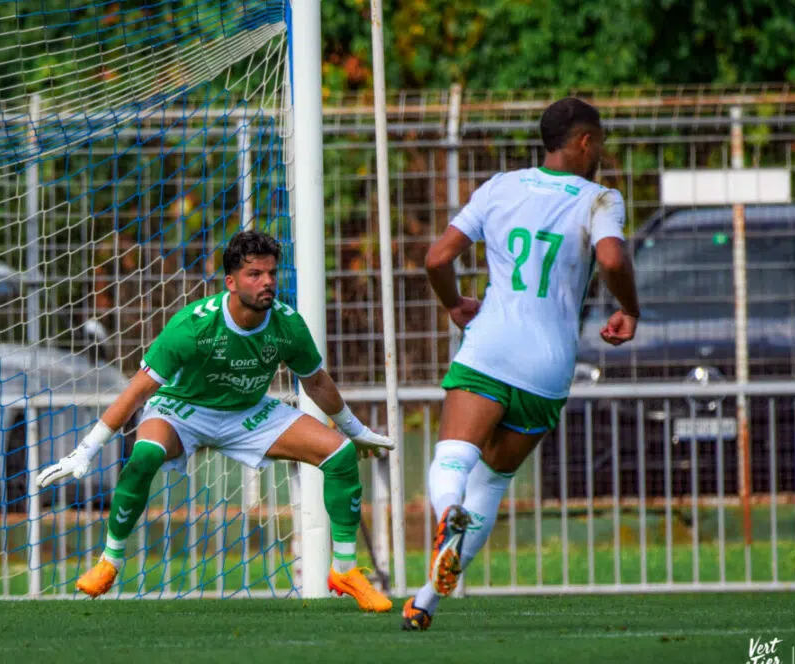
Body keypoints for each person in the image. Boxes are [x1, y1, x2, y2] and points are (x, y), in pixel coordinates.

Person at [38, 230, 395, 612]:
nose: (267, 283)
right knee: (144, 456)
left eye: (271, 274)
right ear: (231, 281)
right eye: (255, 275)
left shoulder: (287, 324)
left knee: (339, 454)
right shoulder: (194, 326)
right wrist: (86, 450)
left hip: (247, 412)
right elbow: (138, 390)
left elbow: (317, 382)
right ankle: (110, 561)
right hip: (183, 409)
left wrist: (356, 432)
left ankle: (344, 570)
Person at [402, 97, 640, 630]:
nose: (600, 152)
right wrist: (629, 308)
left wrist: (452, 304)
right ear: (584, 142)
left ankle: (446, 517)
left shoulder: (500, 187)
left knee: (456, 457)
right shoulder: (601, 199)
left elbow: (437, 258)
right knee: (493, 481)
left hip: (490, 347)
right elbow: (610, 259)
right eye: (598, 142)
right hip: (548, 365)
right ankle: (426, 601)